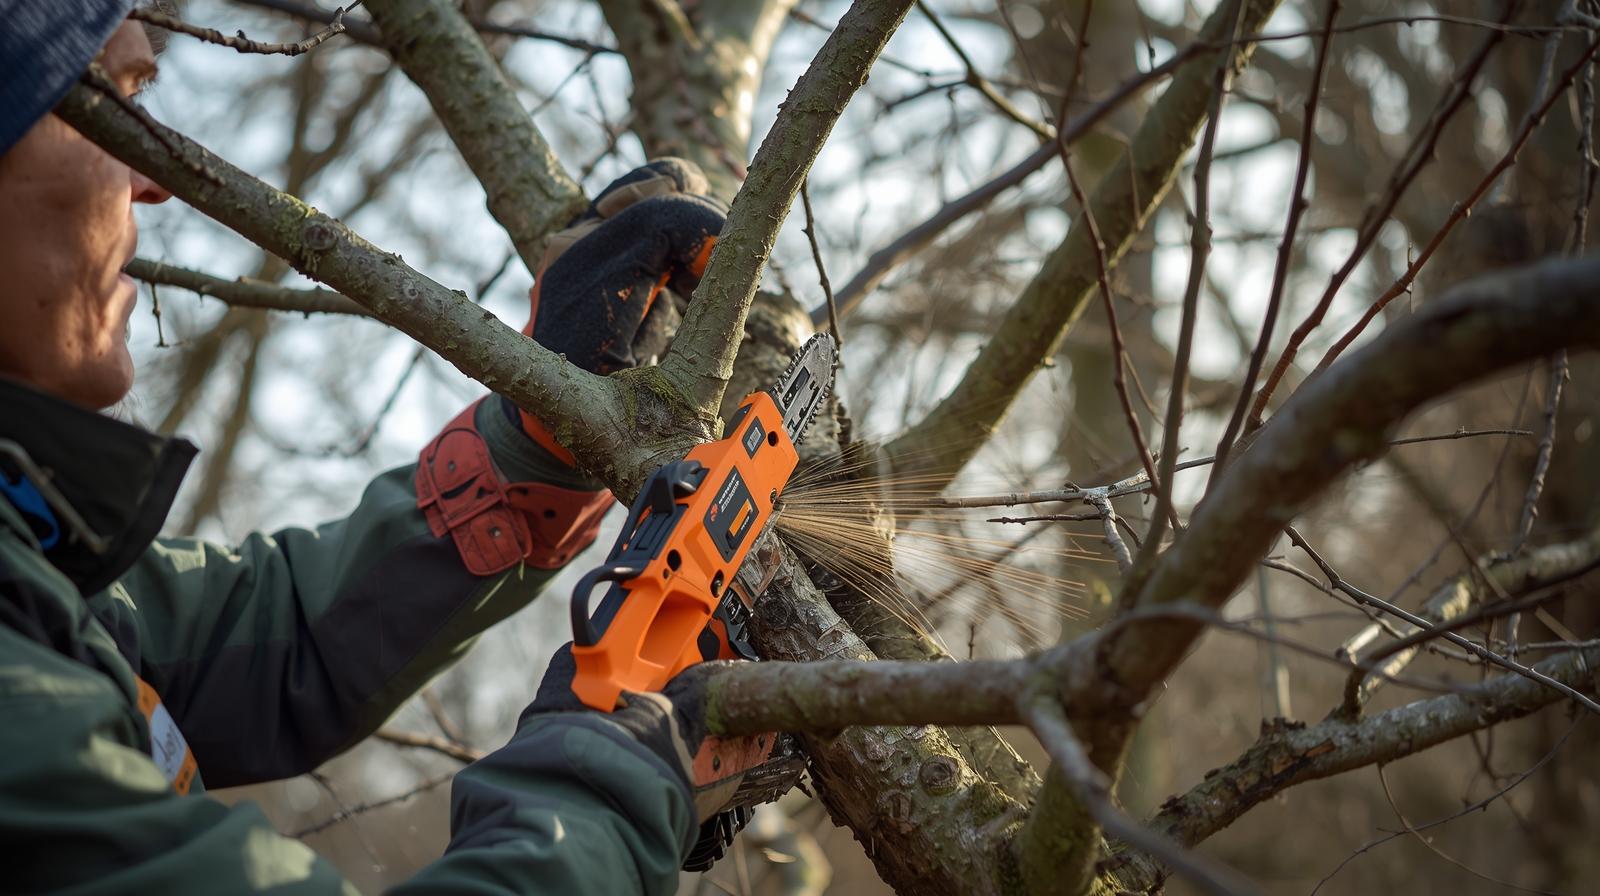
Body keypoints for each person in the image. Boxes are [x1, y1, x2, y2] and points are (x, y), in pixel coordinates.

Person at [0, 2, 736, 892]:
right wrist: (611, 789)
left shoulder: (35, 570)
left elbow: (270, 640)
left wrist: (535, 453)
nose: (154, 180)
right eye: (100, 109)